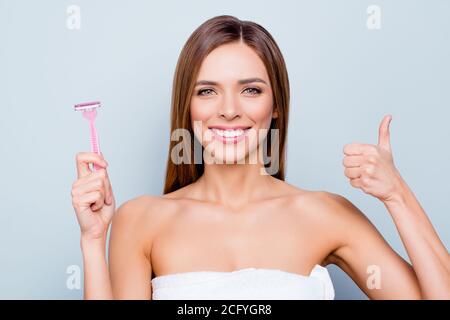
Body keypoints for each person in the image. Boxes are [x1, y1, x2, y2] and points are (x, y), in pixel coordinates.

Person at [71, 15, 450, 299]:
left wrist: (397, 194)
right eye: (207, 92)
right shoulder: (141, 220)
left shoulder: (326, 215)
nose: (230, 110)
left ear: (276, 105)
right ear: (186, 106)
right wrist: (92, 240)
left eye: (251, 90)